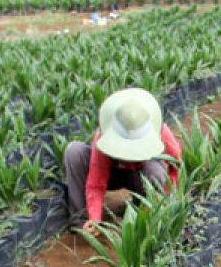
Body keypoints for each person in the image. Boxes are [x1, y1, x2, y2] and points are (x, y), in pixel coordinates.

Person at [64, 88, 182, 234]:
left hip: (142, 175)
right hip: (113, 174)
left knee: (155, 172)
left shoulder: (158, 130)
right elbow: (95, 183)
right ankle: (81, 223)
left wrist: (166, 199)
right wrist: (94, 218)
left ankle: (145, 214)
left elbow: (176, 164)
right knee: (74, 151)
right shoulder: (104, 136)